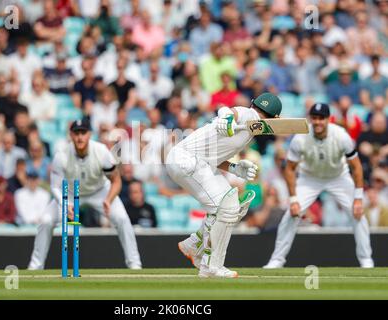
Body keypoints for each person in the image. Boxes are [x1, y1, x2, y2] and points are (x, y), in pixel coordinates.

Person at [166, 92, 282, 278]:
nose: (257, 114)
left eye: (262, 113)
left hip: (194, 160)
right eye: (258, 111)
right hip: (186, 160)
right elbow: (231, 111)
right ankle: (212, 266)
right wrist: (226, 116)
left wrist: (235, 168)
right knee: (227, 206)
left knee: (232, 206)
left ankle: (194, 245)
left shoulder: (248, 130)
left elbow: (213, 156)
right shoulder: (248, 115)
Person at [264, 103, 374, 269]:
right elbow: (290, 168)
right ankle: (277, 260)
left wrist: (358, 198)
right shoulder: (300, 138)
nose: (317, 122)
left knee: (358, 213)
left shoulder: (341, 136)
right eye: (314, 118)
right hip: (309, 179)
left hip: (339, 177)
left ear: (328, 119)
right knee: (291, 214)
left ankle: (366, 260)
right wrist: (293, 199)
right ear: (310, 119)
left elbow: (356, 166)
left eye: (321, 118)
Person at [28, 118, 142, 270]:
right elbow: (55, 186)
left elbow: (116, 181)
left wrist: (109, 199)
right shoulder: (61, 155)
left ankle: (134, 264)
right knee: (46, 220)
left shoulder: (101, 152)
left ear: (89, 134)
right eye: (76, 133)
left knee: (122, 219)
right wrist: (64, 204)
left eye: (83, 132)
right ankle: (35, 267)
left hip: (100, 191)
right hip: (69, 193)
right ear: (71, 135)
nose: (80, 137)